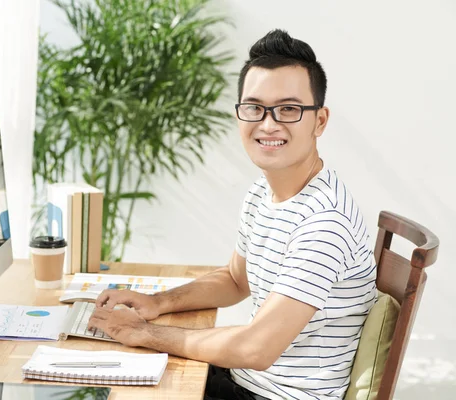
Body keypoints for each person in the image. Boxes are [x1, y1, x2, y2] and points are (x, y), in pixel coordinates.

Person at [88, 29, 377, 400]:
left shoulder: (324, 224)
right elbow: (235, 280)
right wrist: (157, 303)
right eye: (255, 108)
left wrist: (144, 333)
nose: (268, 124)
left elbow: (256, 349)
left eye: (288, 109)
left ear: (319, 121)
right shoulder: (263, 191)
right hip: (245, 383)